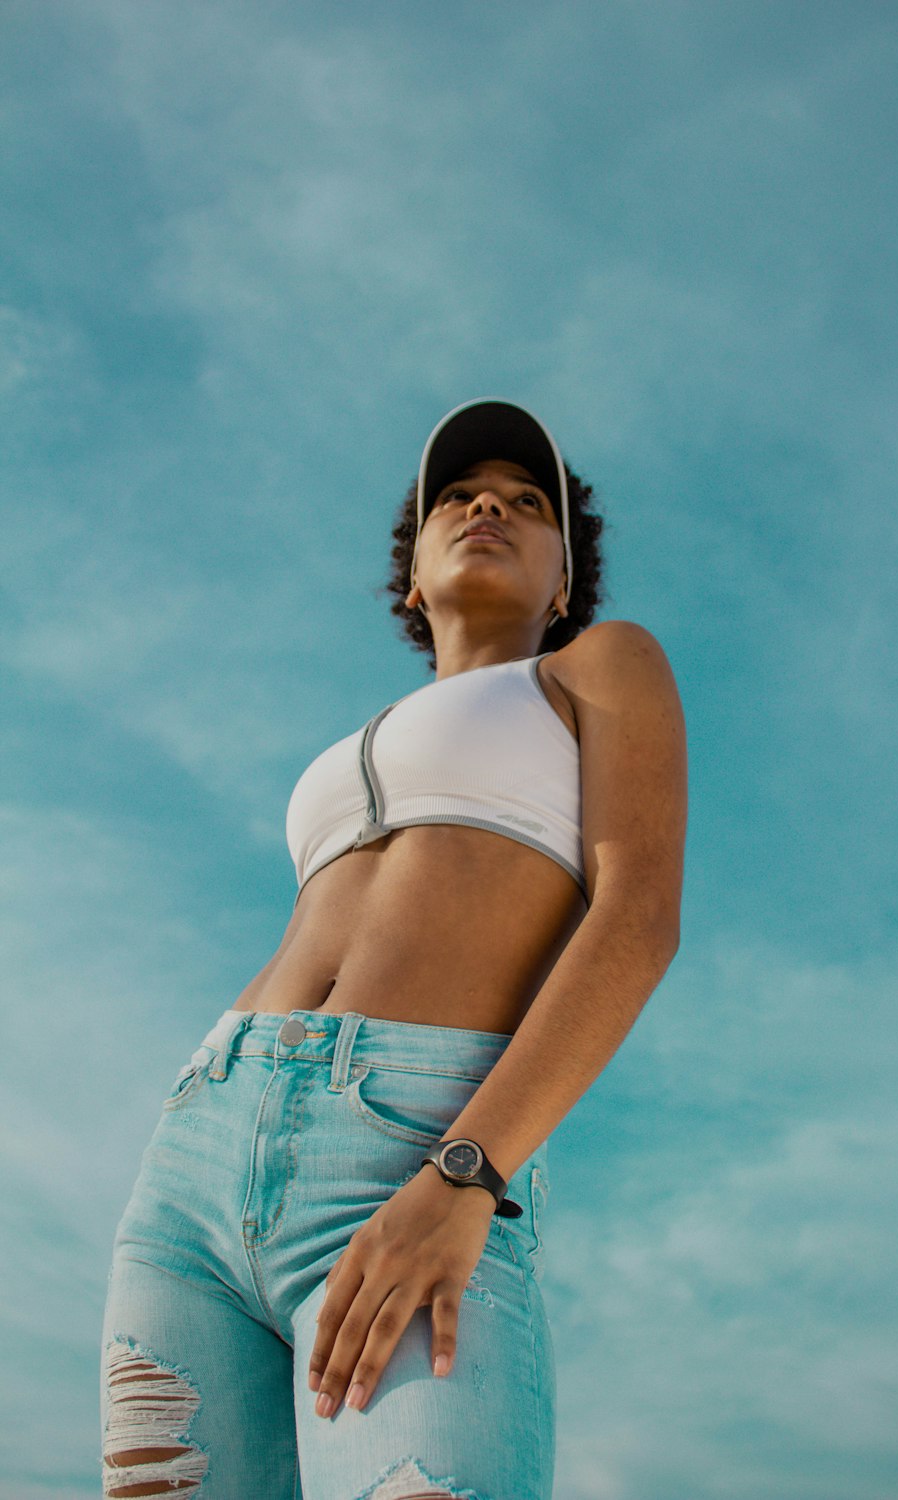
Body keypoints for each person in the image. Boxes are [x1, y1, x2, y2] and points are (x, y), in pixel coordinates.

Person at [100, 398, 687, 1500]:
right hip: (196, 1160)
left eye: (525, 504)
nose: (487, 509)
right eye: (459, 499)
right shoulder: (351, 742)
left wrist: (467, 1172)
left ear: (565, 584)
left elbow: (638, 917)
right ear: (411, 576)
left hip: (414, 1141)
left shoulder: (596, 666)